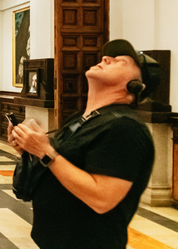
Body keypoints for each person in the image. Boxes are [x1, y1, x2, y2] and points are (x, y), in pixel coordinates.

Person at [9, 39, 159, 249]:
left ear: (134, 86)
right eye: (107, 57)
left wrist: (44, 151)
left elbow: (102, 199)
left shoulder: (125, 128)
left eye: (120, 61)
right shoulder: (83, 119)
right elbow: (58, 167)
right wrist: (28, 148)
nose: (106, 58)